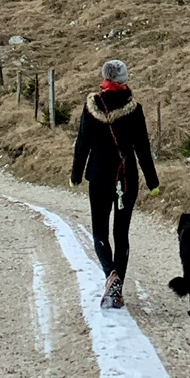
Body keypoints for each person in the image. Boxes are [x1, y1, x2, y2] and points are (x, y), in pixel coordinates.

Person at [70, 57, 159, 309]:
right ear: (124, 79)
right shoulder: (134, 108)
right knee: (121, 234)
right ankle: (117, 291)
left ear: (104, 78)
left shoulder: (91, 106)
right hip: (126, 177)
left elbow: (82, 144)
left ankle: (111, 275)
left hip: (98, 177)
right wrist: (152, 182)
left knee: (99, 232)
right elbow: (143, 147)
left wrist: (76, 174)